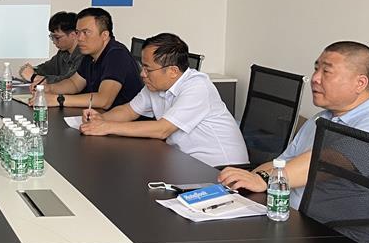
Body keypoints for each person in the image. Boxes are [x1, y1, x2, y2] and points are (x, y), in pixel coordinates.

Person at [218, 41, 369, 209]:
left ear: (360, 83)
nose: (315, 78)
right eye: (316, 69)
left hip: (335, 231)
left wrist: (262, 180)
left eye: (326, 72)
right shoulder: (321, 119)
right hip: (285, 212)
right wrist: (243, 184)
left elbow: (325, 163)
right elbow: (283, 163)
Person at [80, 33, 248, 166]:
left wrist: (107, 127)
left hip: (220, 170)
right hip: (183, 162)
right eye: (142, 67)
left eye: (148, 69)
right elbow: (128, 111)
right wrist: (100, 118)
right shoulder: (155, 85)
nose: (142, 74)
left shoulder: (197, 87)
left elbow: (162, 129)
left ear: (173, 71)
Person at [30, 7, 141, 110]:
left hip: (126, 121)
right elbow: (74, 84)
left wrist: (58, 99)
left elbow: (104, 100)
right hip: (100, 116)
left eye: (86, 32)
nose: (79, 38)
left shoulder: (117, 55)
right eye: (78, 33)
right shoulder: (90, 54)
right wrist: (49, 88)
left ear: (104, 35)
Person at [18, 11, 83, 85]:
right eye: (52, 37)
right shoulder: (63, 54)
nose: (54, 41)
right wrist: (31, 70)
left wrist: (34, 77)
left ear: (73, 35)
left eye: (57, 37)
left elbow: (69, 82)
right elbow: (46, 68)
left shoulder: (83, 56)